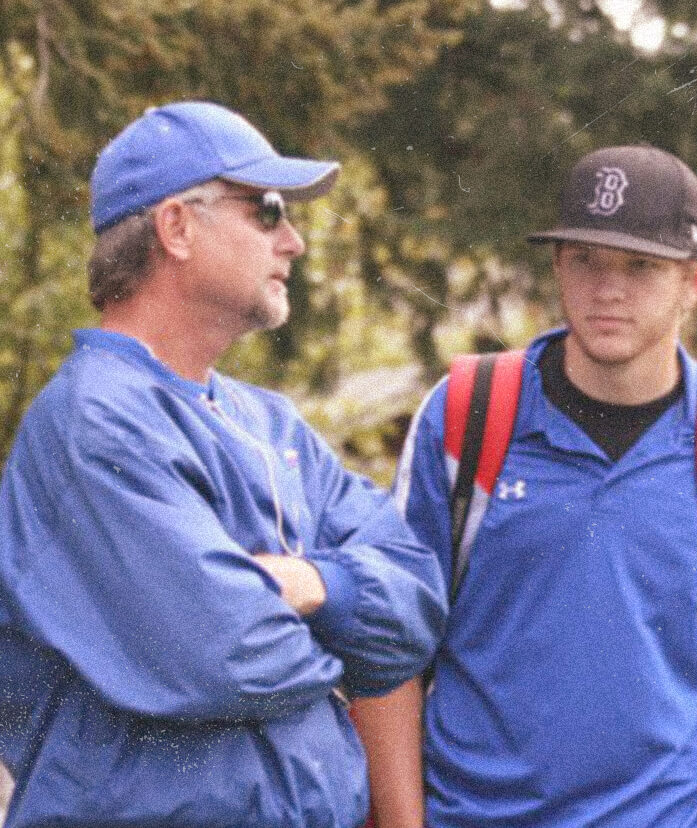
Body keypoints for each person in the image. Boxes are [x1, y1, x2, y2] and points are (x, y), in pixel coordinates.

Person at [0, 100, 447, 827]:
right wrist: (350, 652)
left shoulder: (272, 424)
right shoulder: (96, 421)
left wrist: (313, 584)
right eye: (268, 210)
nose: (295, 241)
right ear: (176, 227)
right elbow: (232, 652)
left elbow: (419, 602)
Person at [357, 145, 697, 828]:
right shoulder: (469, 413)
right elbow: (391, 650)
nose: (608, 289)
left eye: (641, 266)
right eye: (584, 259)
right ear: (557, 265)